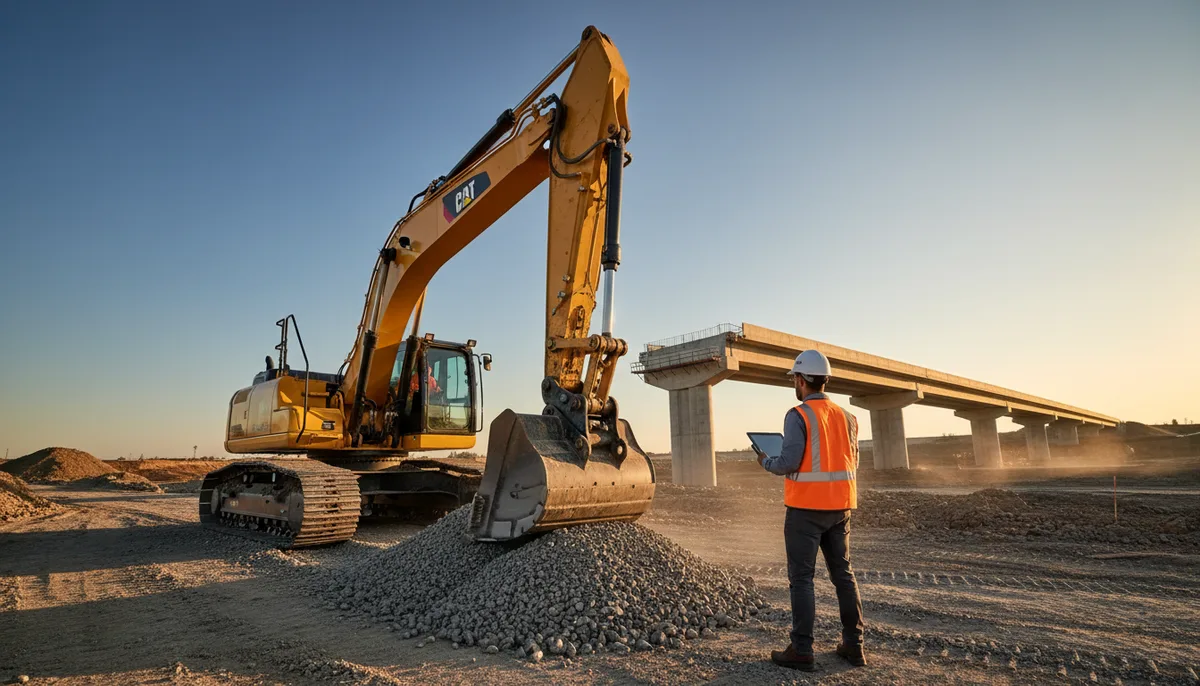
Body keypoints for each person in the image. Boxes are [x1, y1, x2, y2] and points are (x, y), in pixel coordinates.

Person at [755, 349, 865, 671]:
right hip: (841, 506)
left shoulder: (798, 415)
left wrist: (766, 462)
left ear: (802, 380)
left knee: (802, 579)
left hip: (805, 509)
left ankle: (802, 650)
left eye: (795, 379)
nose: (795, 384)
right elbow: (852, 461)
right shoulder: (848, 417)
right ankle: (854, 646)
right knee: (843, 575)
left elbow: (788, 462)